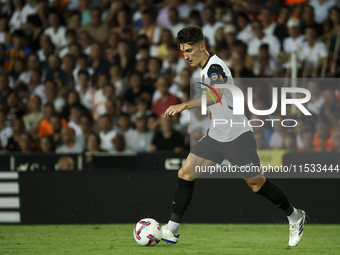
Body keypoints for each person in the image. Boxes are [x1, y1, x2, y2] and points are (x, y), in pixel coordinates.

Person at [161, 25, 306, 247]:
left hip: (237, 136)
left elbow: (216, 95)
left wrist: (184, 105)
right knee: (185, 174)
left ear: (202, 46)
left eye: (189, 50)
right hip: (216, 135)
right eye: (182, 51)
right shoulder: (204, 68)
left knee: (257, 185)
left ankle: (295, 216)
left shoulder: (214, 66)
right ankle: (172, 230)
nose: (185, 55)